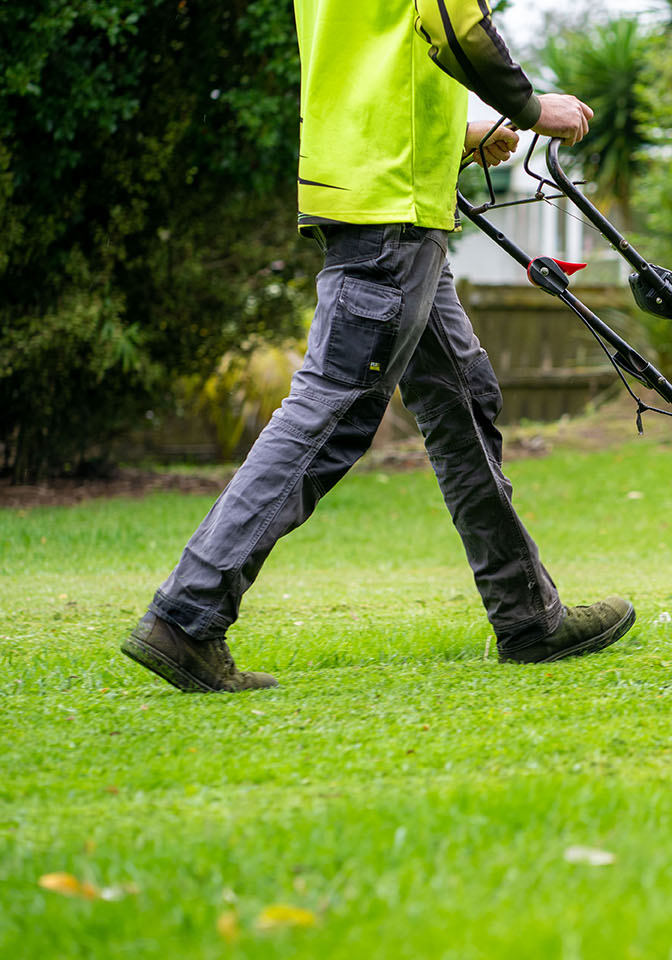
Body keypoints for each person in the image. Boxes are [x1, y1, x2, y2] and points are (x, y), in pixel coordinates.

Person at [121, 0, 634, 693]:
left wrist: (461, 130)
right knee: (334, 409)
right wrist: (531, 105)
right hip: (390, 208)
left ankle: (528, 616)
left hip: (371, 190)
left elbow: (379, 59)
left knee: (462, 398)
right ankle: (187, 615)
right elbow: (456, 26)